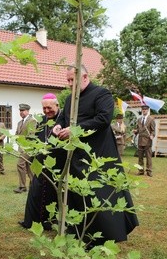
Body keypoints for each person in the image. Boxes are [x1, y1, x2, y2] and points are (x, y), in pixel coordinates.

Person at [52, 64, 139, 246]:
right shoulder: (69, 99)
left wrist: (75, 130)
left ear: (84, 77)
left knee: (99, 193)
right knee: (78, 194)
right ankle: (80, 232)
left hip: (98, 155)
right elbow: (63, 118)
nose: (69, 84)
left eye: (72, 80)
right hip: (76, 155)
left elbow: (103, 119)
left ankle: (106, 235)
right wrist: (58, 126)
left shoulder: (102, 94)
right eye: (67, 80)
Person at [18, 93, 61, 230]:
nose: (47, 111)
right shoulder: (42, 121)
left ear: (57, 105)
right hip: (41, 162)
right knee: (35, 191)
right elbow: (36, 137)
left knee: (53, 194)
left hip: (56, 163)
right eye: (44, 109)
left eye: (49, 108)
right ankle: (32, 221)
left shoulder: (63, 120)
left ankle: (51, 222)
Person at [14, 104, 36, 193]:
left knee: (20, 164)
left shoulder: (32, 121)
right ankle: (33, 184)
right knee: (28, 166)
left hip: (28, 147)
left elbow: (31, 135)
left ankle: (22, 186)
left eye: (23, 111)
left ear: (27, 111)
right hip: (21, 147)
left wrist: (23, 144)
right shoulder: (20, 122)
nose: (21, 112)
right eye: (20, 111)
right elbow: (17, 133)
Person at [134, 105, 155, 177]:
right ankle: (140, 170)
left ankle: (149, 171)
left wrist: (152, 135)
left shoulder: (151, 119)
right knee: (140, 157)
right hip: (140, 140)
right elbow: (138, 129)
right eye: (143, 110)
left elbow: (153, 130)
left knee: (148, 157)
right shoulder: (139, 120)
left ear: (148, 110)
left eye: (145, 110)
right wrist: (135, 131)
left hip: (148, 141)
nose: (144, 111)